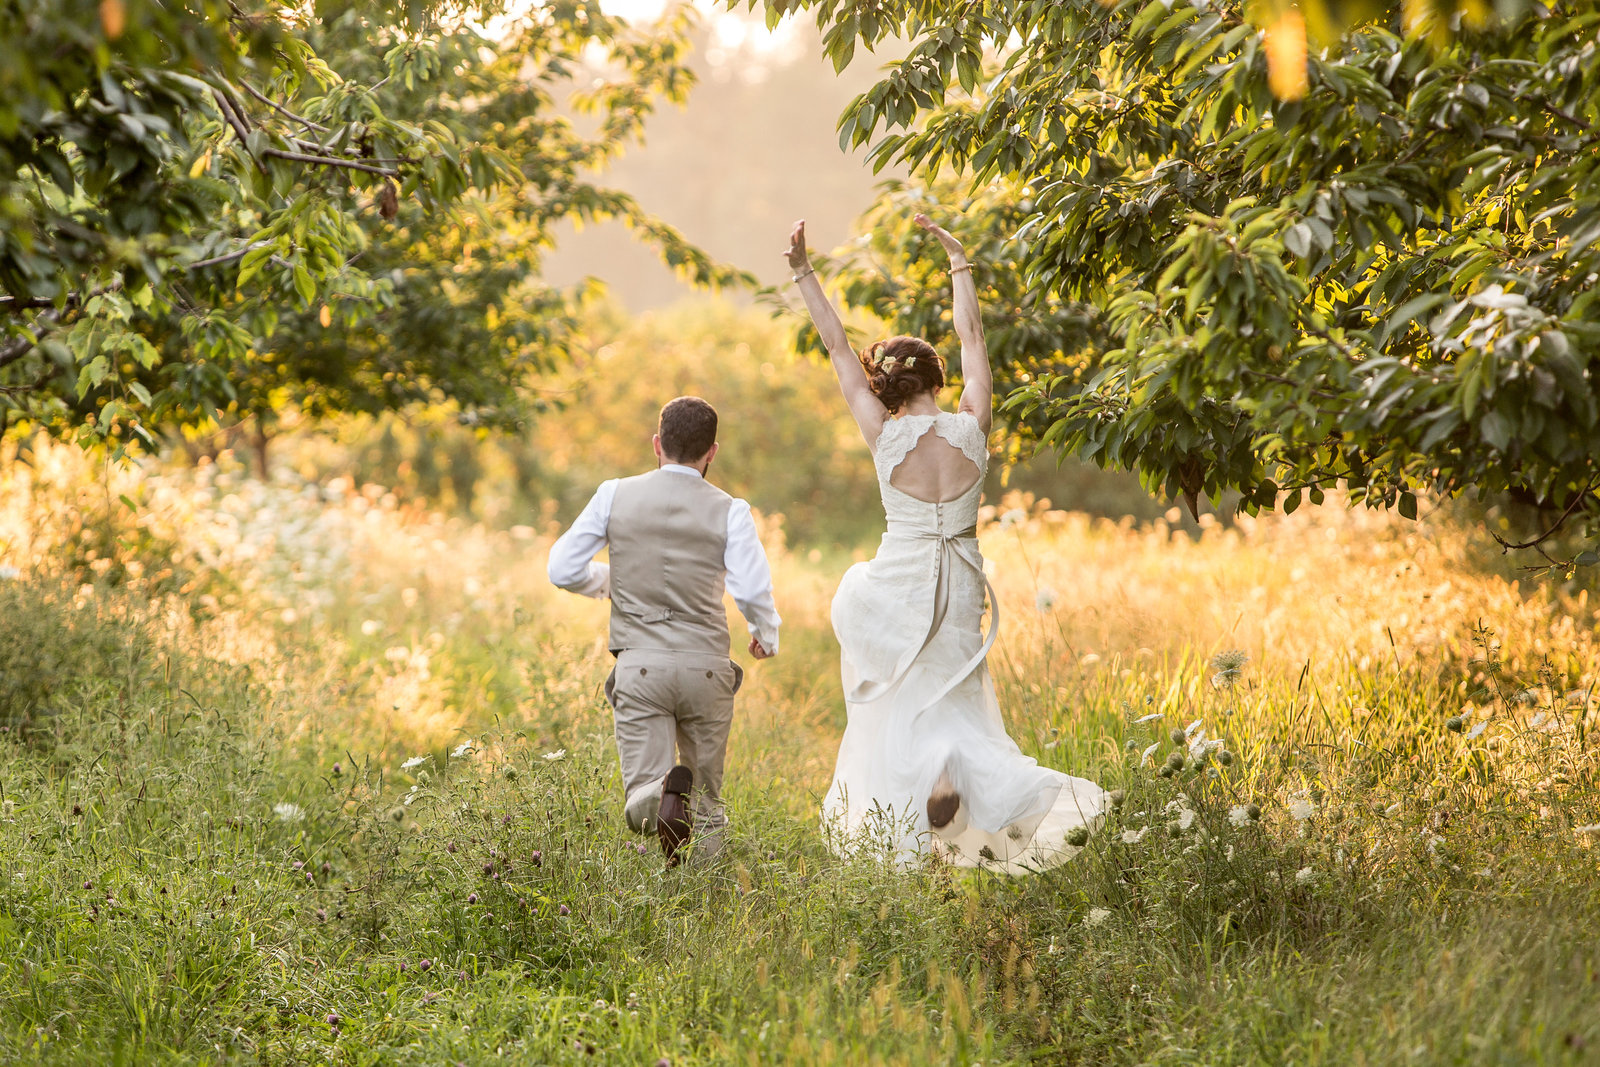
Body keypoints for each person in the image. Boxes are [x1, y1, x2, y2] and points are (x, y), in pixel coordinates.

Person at [785, 214, 1105, 873]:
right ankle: (954, 792)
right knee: (954, 696)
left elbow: (839, 348)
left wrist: (803, 273)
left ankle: (923, 810)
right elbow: (973, 337)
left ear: (889, 388)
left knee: (903, 700)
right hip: (960, 582)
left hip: (898, 582)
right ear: (935, 377)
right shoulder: (972, 425)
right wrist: (959, 263)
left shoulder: (883, 434)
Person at [547, 396, 781, 864]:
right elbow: (752, 588)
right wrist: (765, 634)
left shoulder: (614, 494)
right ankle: (707, 904)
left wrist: (612, 582)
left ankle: (657, 801)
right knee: (708, 806)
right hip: (708, 672)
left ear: (657, 444)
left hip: (642, 669)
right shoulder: (731, 509)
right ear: (712, 452)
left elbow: (562, 567)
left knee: (644, 798)